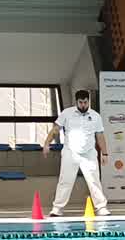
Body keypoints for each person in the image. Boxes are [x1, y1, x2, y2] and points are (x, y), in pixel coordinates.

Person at [43, 89, 110, 218]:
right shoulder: (66, 113)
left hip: (89, 153)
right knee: (65, 181)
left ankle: (101, 207)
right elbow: (55, 129)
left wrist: (105, 154)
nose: (83, 105)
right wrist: (47, 143)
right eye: (81, 102)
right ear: (76, 102)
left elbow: (100, 135)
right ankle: (57, 208)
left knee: (94, 180)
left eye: (85, 102)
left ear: (88, 101)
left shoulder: (96, 116)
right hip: (70, 152)